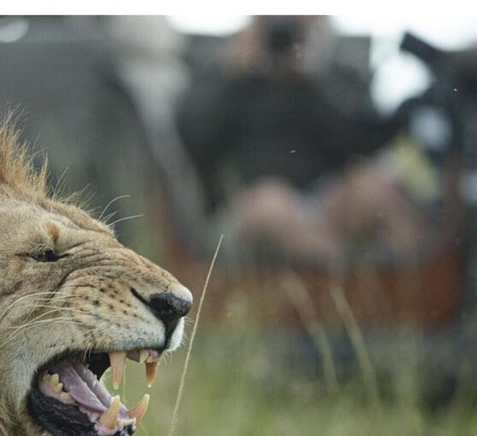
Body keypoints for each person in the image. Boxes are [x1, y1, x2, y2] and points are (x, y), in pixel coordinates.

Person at [178, 16, 427, 267]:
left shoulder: (334, 72)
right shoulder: (223, 70)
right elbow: (193, 143)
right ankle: (346, 295)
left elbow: (361, 145)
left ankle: (419, 296)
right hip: (250, 207)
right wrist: (232, 75)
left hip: (324, 203)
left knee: (374, 188)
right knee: (272, 206)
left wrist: (313, 79)